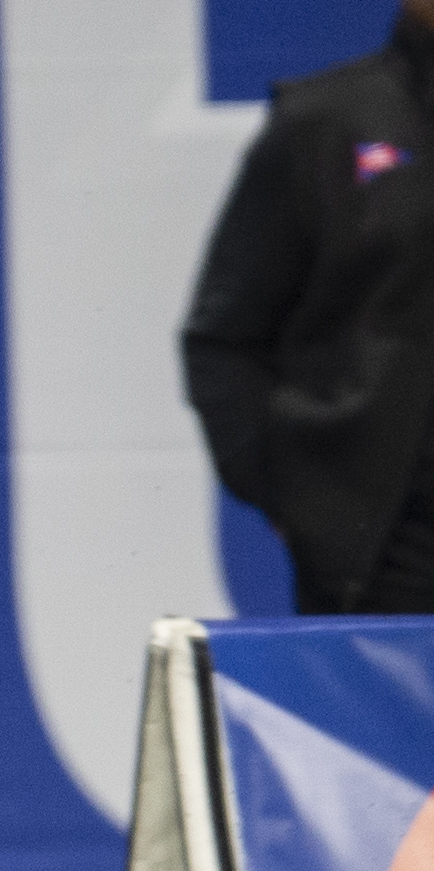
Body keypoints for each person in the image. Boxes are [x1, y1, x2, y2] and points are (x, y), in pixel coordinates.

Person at [183, 1, 434, 615]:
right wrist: (299, 500)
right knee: (388, 717)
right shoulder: (326, 122)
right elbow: (225, 336)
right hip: (390, 553)